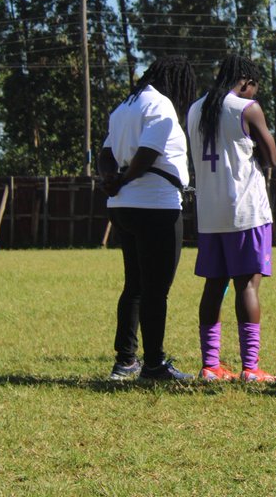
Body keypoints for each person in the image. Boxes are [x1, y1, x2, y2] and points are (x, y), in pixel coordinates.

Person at [100, 56, 197, 381]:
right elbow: (149, 152)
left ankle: (125, 360)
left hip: (123, 205)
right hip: (155, 204)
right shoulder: (160, 104)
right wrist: (123, 179)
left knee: (135, 285)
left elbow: (105, 153)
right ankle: (154, 364)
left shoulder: (124, 107)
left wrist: (111, 180)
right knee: (156, 289)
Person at [186, 54, 276, 383]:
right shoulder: (246, 108)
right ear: (246, 82)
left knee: (214, 286)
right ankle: (251, 368)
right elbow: (271, 157)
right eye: (254, 87)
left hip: (209, 213)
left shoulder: (195, 109)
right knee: (247, 286)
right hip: (245, 211)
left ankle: (210, 365)